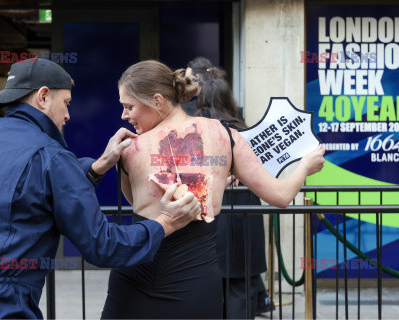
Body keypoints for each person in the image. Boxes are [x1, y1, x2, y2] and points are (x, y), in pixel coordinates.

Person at [0, 58, 201, 319]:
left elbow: (29, 187)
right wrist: (166, 222)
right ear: (44, 97)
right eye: (66, 103)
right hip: (3, 307)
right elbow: (104, 245)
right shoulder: (52, 156)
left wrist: (99, 165)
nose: (68, 115)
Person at [101, 60, 325, 319]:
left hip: (133, 278)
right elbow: (282, 196)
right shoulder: (225, 137)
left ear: (158, 101)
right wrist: (305, 167)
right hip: (196, 284)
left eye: (129, 107)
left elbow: (136, 203)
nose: (124, 116)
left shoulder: (128, 149)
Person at [195, 78, 274, 318]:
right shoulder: (244, 134)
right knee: (241, 288)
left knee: (208, 290)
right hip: (244, 217)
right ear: (229, 101)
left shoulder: (195, 133)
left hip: (209, 219)